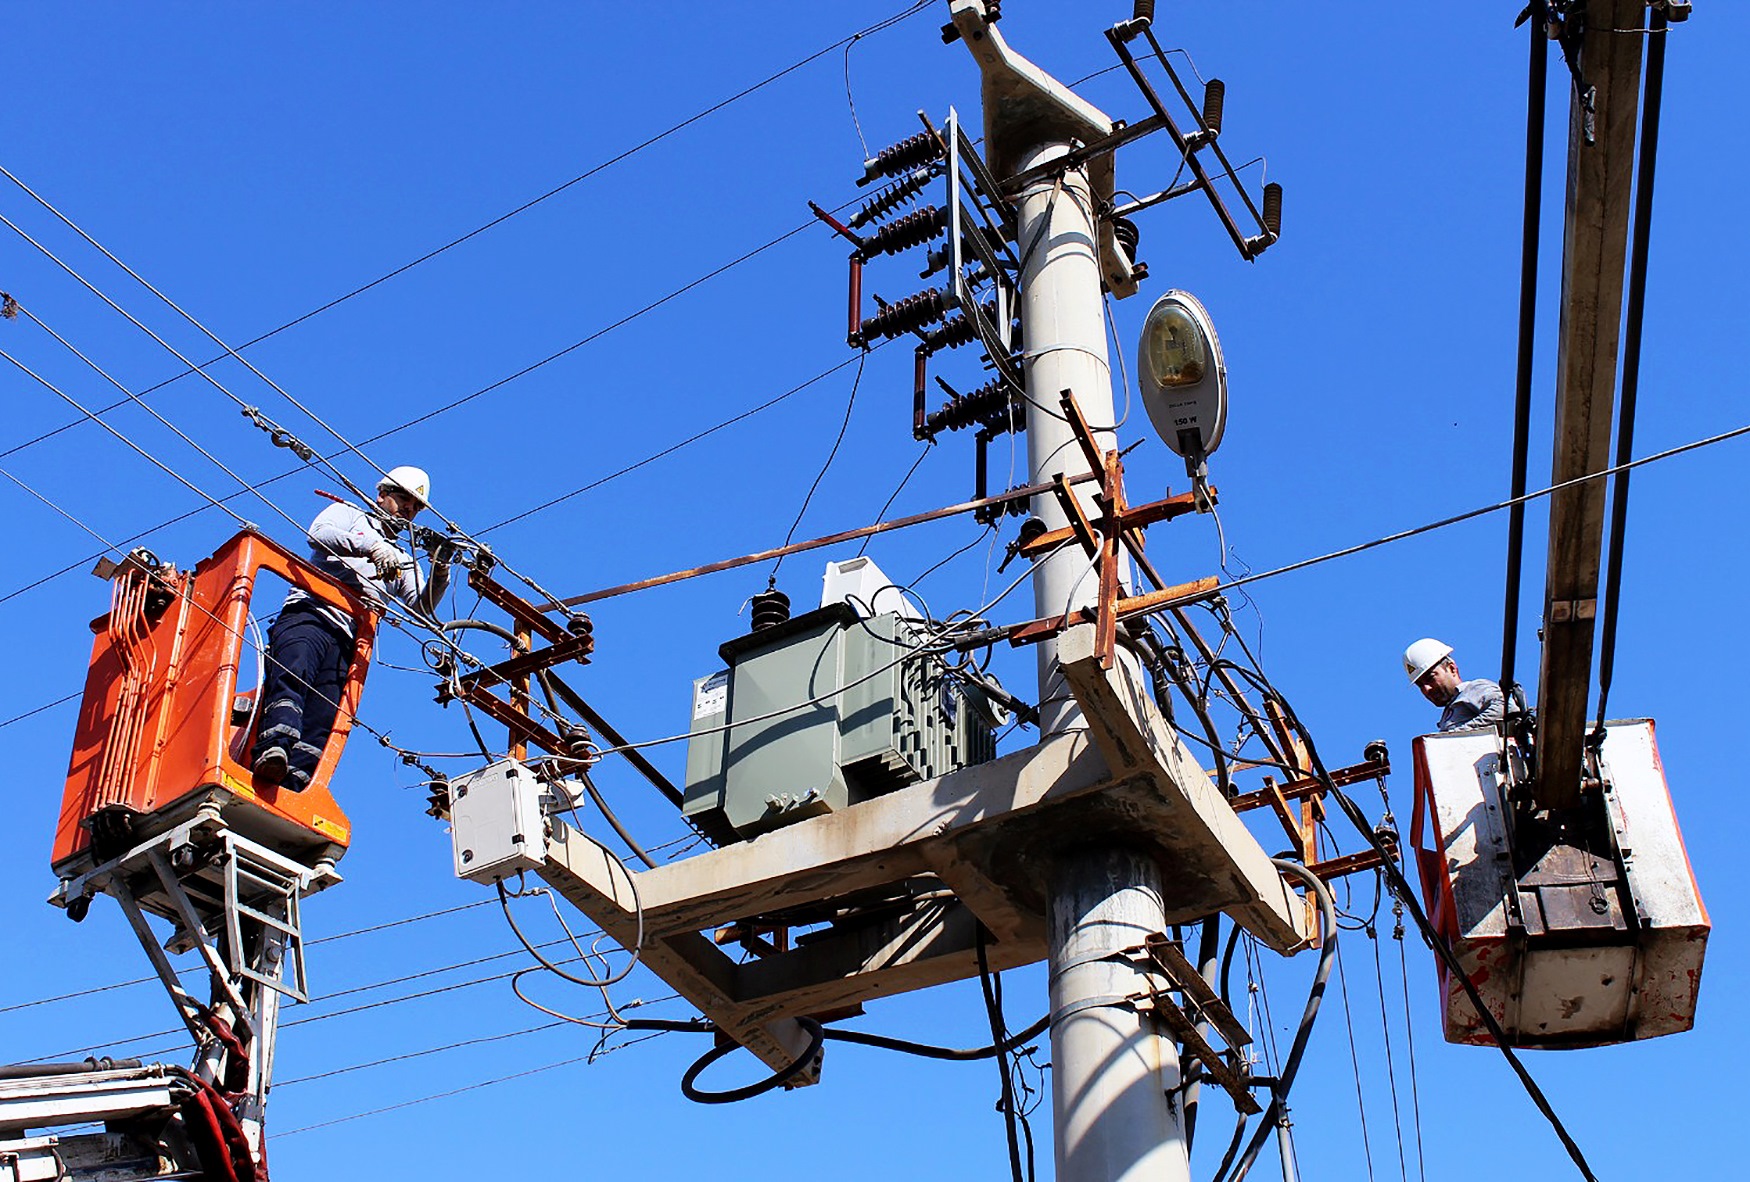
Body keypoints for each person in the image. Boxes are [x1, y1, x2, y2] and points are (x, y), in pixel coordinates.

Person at [252, 466, 451, 790]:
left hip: (348, 640)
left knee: (324, 712)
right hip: (311, 614)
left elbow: (422, 608)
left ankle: (295, 783)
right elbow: (318, 533)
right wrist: (370, 546)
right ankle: (273, 749)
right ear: (382, 494)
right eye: (404, 500)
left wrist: (440, 572)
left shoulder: (403, 559)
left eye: (416, 508)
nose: (410, 510)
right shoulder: (350, 515)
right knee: (294, 674)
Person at [1402, 637, 1505, 733]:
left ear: (1452, 669)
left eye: (1430, 678)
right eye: (1420, 685)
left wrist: (1459, 734)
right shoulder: (1447, 716)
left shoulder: (1473, 689)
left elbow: (1506, 707)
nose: (1426, 689)